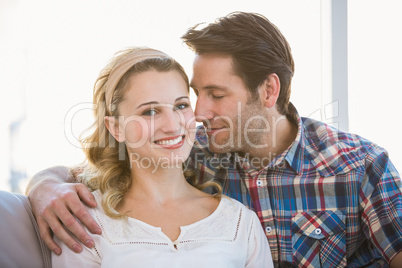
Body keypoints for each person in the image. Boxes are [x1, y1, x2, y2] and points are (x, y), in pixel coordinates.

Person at [27, 12, 402, 267]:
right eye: (194, 94)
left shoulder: (358, 165)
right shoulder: (187, 149)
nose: (199, 112)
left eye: (216, 95)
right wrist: (42, 186)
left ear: (269, 90)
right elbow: (90, 168)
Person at [46, 46, 272, 267]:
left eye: (181, 105)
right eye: (150, 112)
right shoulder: (85, 224)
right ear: (116, 128)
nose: (173, 126)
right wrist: (42, 185)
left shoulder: (240, 223)